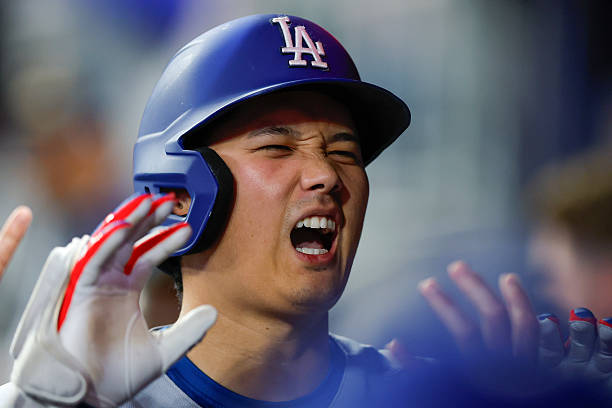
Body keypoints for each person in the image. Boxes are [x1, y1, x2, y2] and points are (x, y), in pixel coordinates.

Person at [2, 13, 612, 407]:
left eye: (344, 151)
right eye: (277, 146)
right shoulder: (94, 398)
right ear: (181, 195)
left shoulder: (420, 394)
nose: (326, 175)